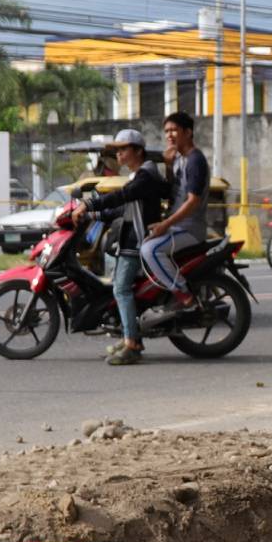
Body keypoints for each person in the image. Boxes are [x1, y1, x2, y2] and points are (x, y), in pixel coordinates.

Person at [72, 129, 171, 367]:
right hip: (130, 239)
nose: (119, 154)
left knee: (121, 289)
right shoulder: (140, 174)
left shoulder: (145, 176)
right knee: (121, 288)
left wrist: (88, 203)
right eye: (117, 150)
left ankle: (131, 344)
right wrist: (92, 214)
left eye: (124, 149)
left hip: (137, 241)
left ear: (138, 150)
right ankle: (131, 334)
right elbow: (121, 209)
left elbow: (122, 197)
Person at [137, 112, 208, 328]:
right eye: (166, 131)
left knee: (149, 250)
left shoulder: (195, 160)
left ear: (188, 132)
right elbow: (174, 191)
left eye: (174, 130)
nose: (169, 135)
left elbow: (193, 201)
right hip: (177, 226)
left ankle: (185, 296)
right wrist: (168, 166)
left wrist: (164, 225)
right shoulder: (178, 159)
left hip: (189, 228)